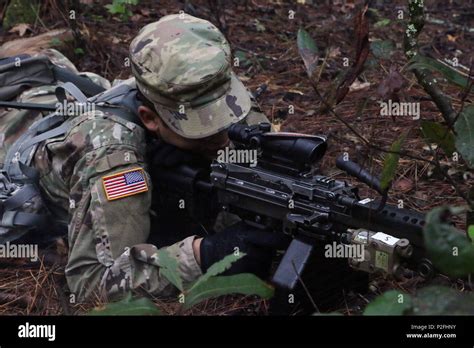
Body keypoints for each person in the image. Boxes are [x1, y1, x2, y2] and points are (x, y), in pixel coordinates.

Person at [0, 13, 284, 301]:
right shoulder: (113, 159)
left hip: (71, 90)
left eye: (223, 117)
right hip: (16, 121)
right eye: (201, 127)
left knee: (55, 70)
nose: (223, 138)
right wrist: (204, 256)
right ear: (149, 119)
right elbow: (91, 284)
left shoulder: (216, 89)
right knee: (29, 74)